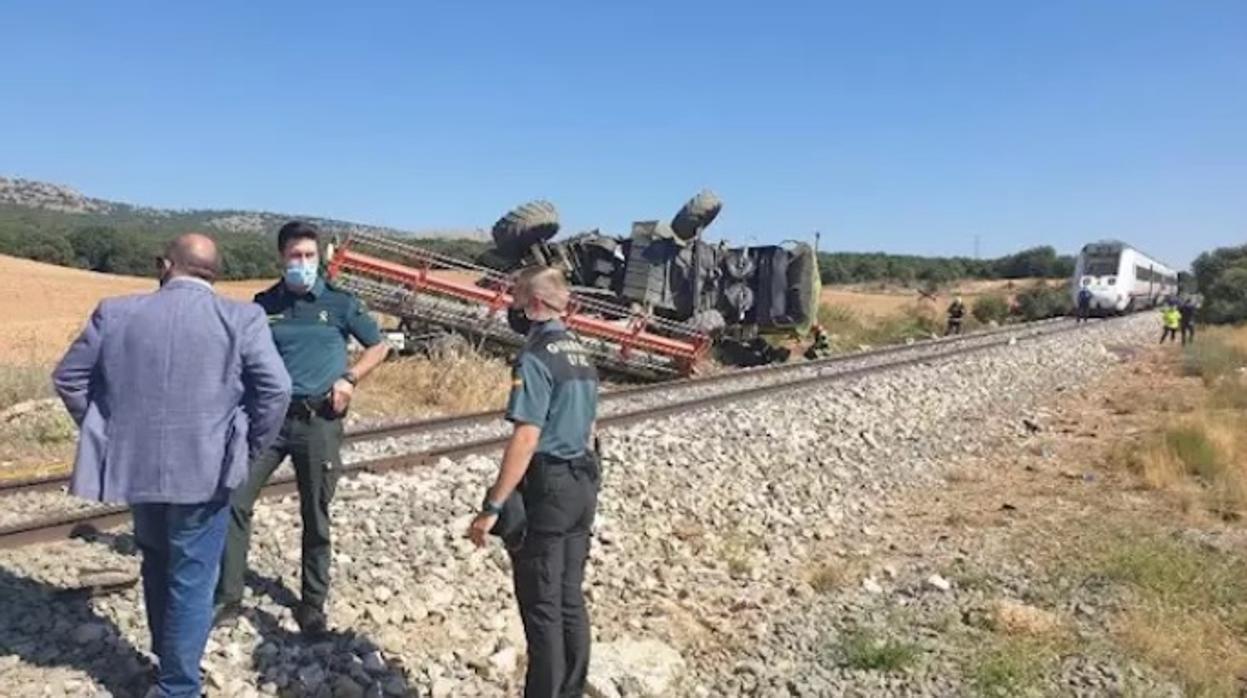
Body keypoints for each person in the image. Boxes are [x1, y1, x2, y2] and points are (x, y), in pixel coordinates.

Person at [52, 234, 291, 698]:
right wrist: (247, 447)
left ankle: (168, 664)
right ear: (214, 274)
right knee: (193, 579)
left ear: (165, 265)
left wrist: (108, 431)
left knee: (157, 564)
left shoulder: (115, 312)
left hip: (137, 469)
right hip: (207, 472)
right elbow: (276, 391)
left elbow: (69, 378)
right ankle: (178, 685)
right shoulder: (242, 318)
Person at [215, 221, 390, 635]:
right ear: (281, 258)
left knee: (315, 513)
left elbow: (379, 345)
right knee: (235, 500)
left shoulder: (340, 303)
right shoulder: (263, 305)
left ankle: (312, 604)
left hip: (319, 423)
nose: (303, 263)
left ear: (320, 258)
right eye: (295, 256)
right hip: (269, 422)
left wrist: (350, 378)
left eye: (310, 256)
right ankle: (229, 597)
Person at [468, 266, 601, 698]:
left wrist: (492, 506)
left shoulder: (536, 357)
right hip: (583, 481)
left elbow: (526, 437)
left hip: (551, 486)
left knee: (542, 608)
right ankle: (571, 690)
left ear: (537, 304)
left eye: (518, 299)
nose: (514, 307)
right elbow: (590, 425)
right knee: (568, 600)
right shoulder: (581, 352)